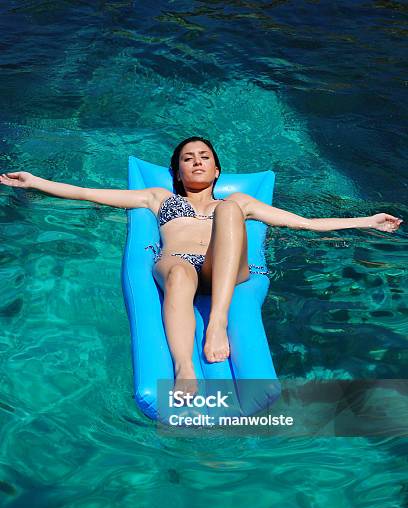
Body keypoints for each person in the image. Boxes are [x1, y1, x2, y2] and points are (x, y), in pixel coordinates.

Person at [0, 136, 403, 398]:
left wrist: (366, 221)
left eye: (203, 158)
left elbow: (305, 223)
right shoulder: (158, 197)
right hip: (181, 267)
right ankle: (184, 368)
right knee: (177, 271)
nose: (195, 163)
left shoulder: (239, 202)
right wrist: (34, 181)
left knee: (230, 209)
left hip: (226, 271)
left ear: (216, 170)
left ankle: (216, 323)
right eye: (187, 159)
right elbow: (89, 193)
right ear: (176, 171)